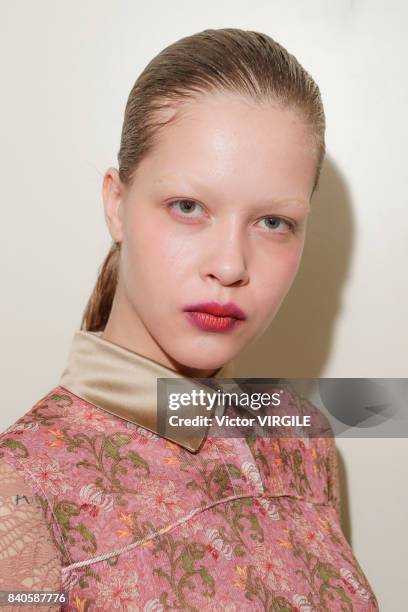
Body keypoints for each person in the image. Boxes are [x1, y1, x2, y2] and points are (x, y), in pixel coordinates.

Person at [0, 28, 379, 611]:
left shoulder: (302, 439)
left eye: (274, 221)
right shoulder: (18, 489)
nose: (230, 266)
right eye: (188, 207)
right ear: (116, 204)